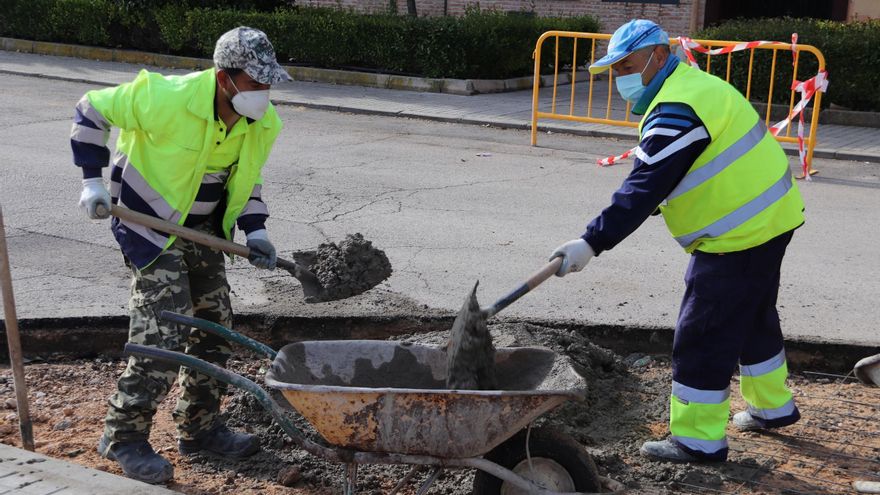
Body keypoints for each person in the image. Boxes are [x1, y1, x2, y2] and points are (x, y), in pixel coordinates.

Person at [549, 19, 804, 463]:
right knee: (753, 314)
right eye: (613, 69)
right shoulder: (692, 86)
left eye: (625, 66)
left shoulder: (676, 110)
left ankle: (698, 440)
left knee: (702, 331)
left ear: (659, 56)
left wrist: (590, 242)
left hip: (737, 235)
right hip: (770, 220)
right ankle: (773, 408)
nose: (619, 78)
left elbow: (643, 188)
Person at [70, 26, 292, 483]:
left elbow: (246, 180)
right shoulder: (164, 98)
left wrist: (257, 231)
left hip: (203, 228)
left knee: (215, 327)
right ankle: (123, 436)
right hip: (147, 224)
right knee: (165, 330)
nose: (263, 93)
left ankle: (199, 428)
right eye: (255, 83)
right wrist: (92, 180)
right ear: (224, 77)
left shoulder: (263, 122)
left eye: (268, 84)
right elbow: (91, 108)